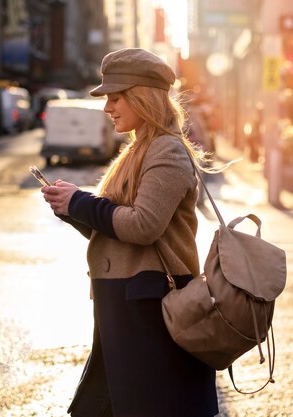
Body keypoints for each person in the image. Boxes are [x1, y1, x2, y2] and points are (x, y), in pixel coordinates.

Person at [40, 48, 219, 417]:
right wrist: (70, 208)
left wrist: (82, 204)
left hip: (149, 312)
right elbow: (116, 228)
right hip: (124, 307)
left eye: (116, 97)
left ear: (143, 96)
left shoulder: (166, 150)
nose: (108, 106)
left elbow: (142, 226)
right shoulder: (139, 148)